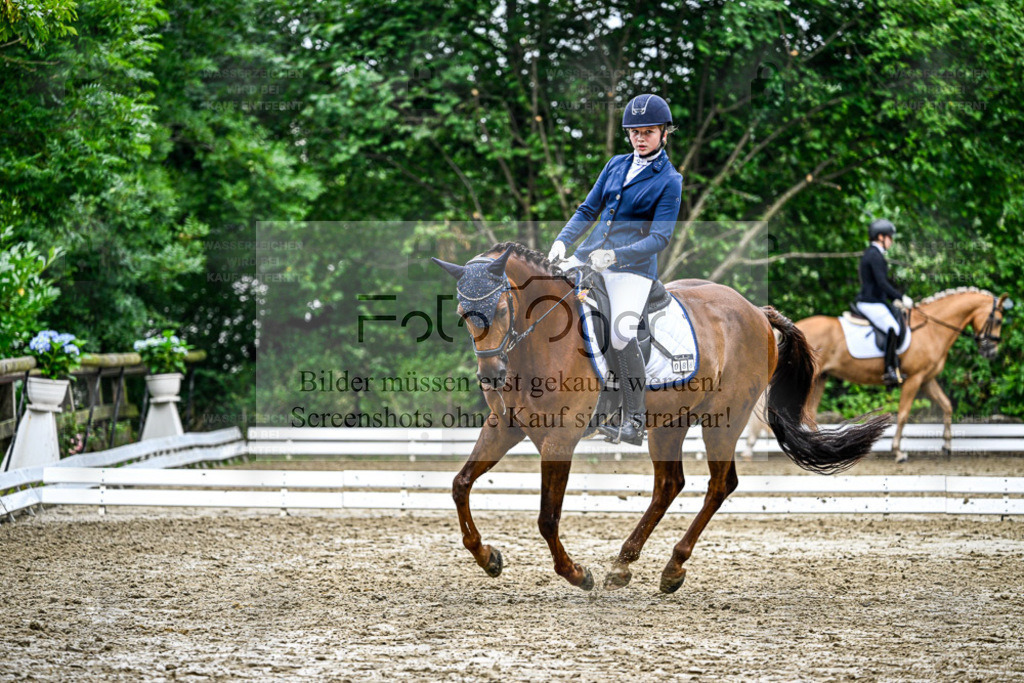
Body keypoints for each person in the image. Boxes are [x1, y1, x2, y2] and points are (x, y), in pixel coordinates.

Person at [547, 93, 683, 445]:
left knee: (621, 332)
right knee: (548, 298)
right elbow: (587, 209)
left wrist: (615, 256)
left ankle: (634, 419)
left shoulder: (669, 180)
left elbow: (660, 238)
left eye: (648, 131)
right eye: (634, 131)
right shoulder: (616, 164)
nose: (640, 138)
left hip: (632, 269)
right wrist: (563, 242)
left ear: (664, 134)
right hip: (589, 255)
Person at [854, 218, 914, 387]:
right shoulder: (874, 255)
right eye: (890, 237)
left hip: (875, 301)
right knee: (893, 328)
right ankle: (889, 369)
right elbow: (882, 283)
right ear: (881, 237)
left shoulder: (874, 254)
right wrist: (900, 297)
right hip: (870, 302)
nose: (892, 241)